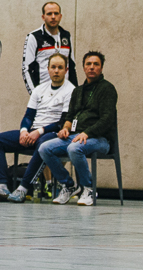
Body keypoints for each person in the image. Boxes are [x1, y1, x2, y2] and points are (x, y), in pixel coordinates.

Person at [0, 53, 75, 203]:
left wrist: (38, 132)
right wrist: (24, 131)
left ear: (66, 70)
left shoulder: (71, 90)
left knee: (43, 145)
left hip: (52, 134)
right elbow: (28, 116)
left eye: (60, 68)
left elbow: (63, 122)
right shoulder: (39, 89)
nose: (56, 71)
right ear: (48, 69)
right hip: (33, 131)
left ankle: (23, 188)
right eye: (53, 67)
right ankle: (2, 185)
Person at [37, 51, 117, 207]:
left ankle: (88, 188)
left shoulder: (107, 89)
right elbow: (70, 116)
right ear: (83, 67)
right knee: (44, 148)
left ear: (101, 68)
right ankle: (68, 185)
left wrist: (87, 133)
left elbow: (107, 120)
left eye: (96, 64)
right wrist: (65, 129)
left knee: (74, 148)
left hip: (100, 139)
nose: (92, 67)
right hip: (75, 136)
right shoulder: (78, 91)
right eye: (88, 64)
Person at [22, 1, 77, 94]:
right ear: (43, 17)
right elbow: (26, 69)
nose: (53, 17)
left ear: (60, 16)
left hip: (65, 94)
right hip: (43, 94)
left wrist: (75, 95)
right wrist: (35, 95)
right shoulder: (34, 37)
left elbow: (71, 67)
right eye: (49, 14)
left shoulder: (66, 36)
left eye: (56, 13)